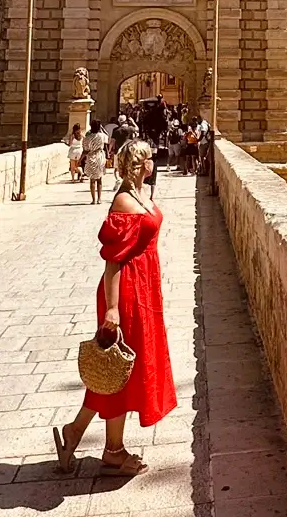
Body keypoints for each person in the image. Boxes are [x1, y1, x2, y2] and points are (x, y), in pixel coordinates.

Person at [52, 140, 176, 476]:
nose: (155, 161)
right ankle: (111, 450)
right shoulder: (123, 201)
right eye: (150, 157)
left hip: (145, 288)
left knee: (121, 369)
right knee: (117, 369)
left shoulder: (142, 195)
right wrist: (112, 309)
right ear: (139, 163)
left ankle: (79, 433)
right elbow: (113, 263)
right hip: (127, 293)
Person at [82, 119, 109, 205]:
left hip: (91, 156)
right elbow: (107, 137)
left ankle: (93, 199)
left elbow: (85, 150)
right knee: (99, 179)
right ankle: (99, 199)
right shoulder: (102, 136)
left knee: (92, 180)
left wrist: (80, 159)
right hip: (100, 156)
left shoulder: (87, 137)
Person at [109, 115, 137, 194]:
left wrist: (109, 150)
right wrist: (133, 122)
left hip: (117, 151)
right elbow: (137, 129)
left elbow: (112, 141)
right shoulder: (130, 129)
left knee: (116, 168)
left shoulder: (116, 130)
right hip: (128, 151)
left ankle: (118, 179)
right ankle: (129, 182)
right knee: (129, 166)